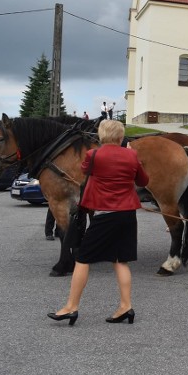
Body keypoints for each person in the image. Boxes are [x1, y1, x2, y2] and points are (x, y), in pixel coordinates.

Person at [48, 119, 150, 326]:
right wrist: (130, 155)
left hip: (105, 214)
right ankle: (125, 306)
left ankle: (71, 307)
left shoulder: (93, 155)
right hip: (128, 214)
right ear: (121, 137)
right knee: (120, 260)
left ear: (101, 136)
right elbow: (143, 182)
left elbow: (86, 170)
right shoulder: (131, 154)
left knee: (83, 259)